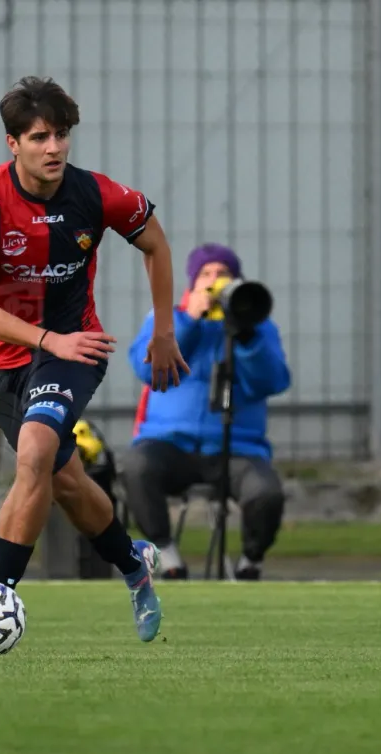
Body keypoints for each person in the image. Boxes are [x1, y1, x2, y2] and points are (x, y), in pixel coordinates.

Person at [0, 76, 189, 642]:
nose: (53, 147)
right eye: (39, 137)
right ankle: (134, 565)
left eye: (61, 135)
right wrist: (42, 338)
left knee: (34, 453)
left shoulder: (96, 194)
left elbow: (155, 242)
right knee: (66, 483)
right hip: (2, 361)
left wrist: (164, 329)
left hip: (76, 350)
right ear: (13, 144)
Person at [121, 243, 290, 580]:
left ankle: (250, 562)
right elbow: (147, 369)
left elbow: (273, 381)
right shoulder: (165, 319)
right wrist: (186, 322)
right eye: (206, 275)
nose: (214, 281)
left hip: (237, 448)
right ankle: (166, 555)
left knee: (266, 492)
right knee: (137, 469)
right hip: (170, 443)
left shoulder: (258, 328)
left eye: (223, 274)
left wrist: (247, 339)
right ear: (192, 284)